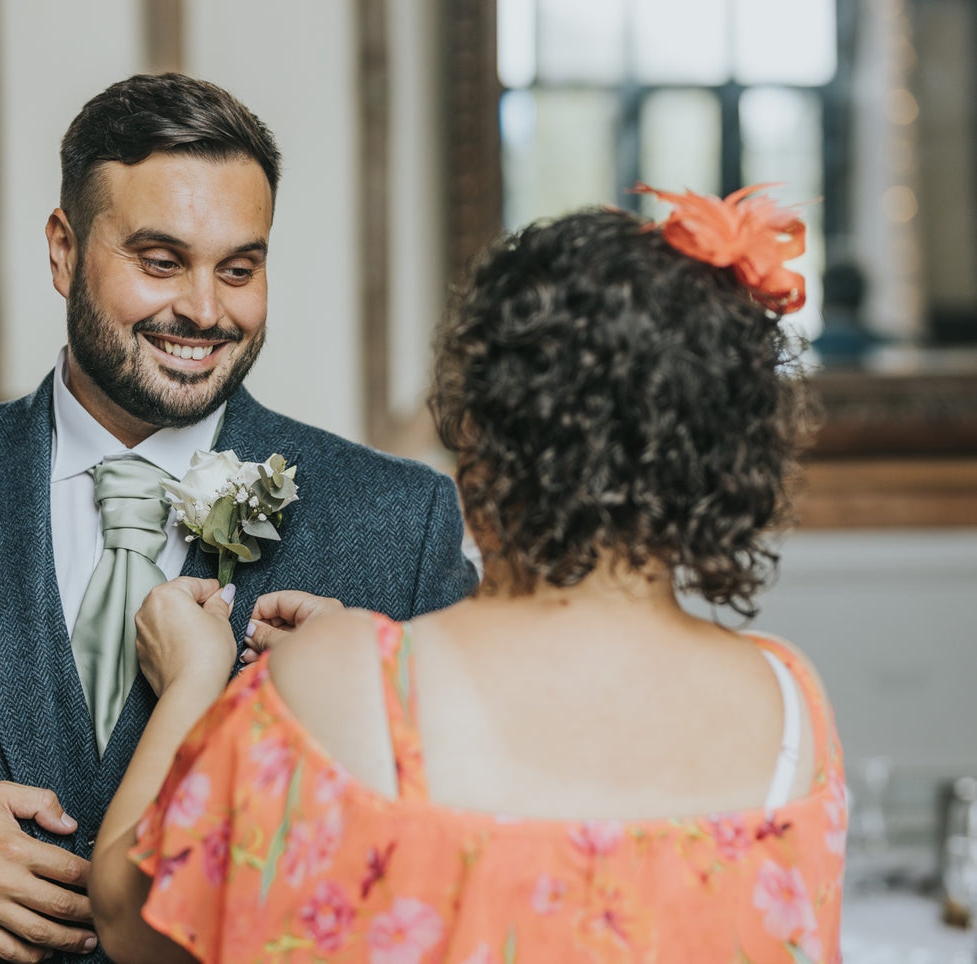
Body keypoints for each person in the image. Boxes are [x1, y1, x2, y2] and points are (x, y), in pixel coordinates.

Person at [0, 73, 476, 964]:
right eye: (159, 260)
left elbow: (474, 815)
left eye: (239, 269)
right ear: (64, 250)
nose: (205, 311)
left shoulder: (396, 520)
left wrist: (371, 699)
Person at [89, 188, 847, 961]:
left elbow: (127, 919)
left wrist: (194, 680)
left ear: (478, 424)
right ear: (722, 454)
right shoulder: (789, 701)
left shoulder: (345, 681)